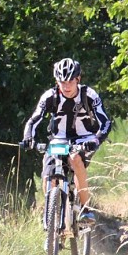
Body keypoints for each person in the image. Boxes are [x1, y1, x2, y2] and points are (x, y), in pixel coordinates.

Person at [20, 58, 112, 225]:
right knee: (48, 172)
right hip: (59, 139)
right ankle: (50, 212)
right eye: (62, 82)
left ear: (78, 79)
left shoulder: (89, 95)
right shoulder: (50, 96)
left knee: (75, 158)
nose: (67, 86)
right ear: (57, 81)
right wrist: (28, 138)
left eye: (70, 81)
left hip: (85, 138)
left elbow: (105, 122)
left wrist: (96, 140)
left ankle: (85, 209)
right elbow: (34, 120)